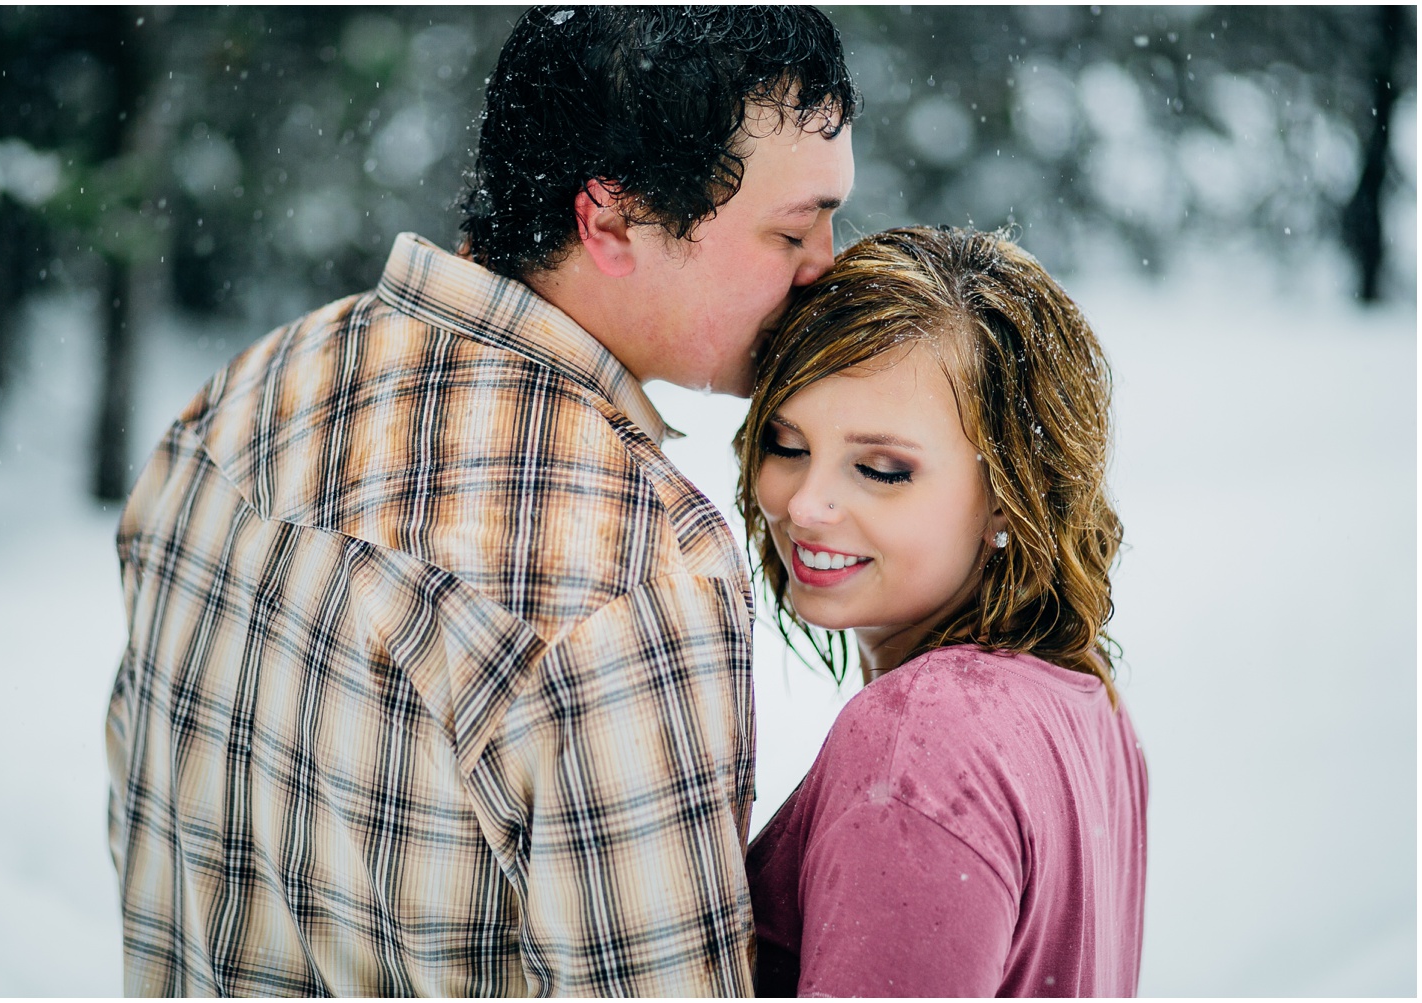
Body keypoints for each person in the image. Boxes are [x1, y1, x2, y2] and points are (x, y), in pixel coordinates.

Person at [106, 7, 855, 996]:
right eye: (795, 228)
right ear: (614, 221)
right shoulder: (631, 574)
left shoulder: (245, 399)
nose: (829, 266)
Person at [736, 226, 1148, 997]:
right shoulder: (1087, 700)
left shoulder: (916, 744)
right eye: (787, 445)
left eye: (881, 469)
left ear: (1009, 495)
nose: (806, 502)